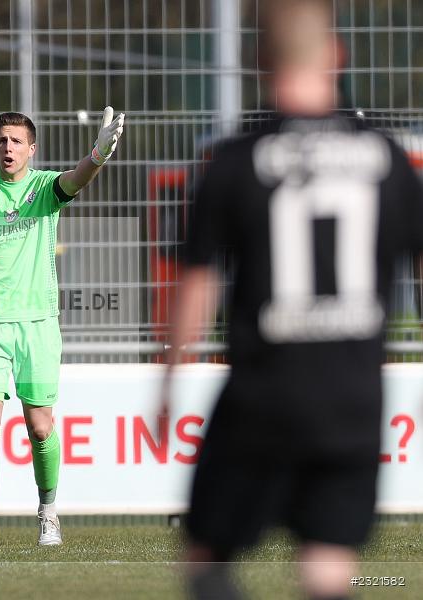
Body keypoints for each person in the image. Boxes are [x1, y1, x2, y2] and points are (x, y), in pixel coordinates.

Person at [161, 1, 423, 598]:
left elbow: (197, 281)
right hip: (354, 395)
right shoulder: (389, 159)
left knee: (206, 557)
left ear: (259, 62)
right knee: (328, 566)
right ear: (336, 56)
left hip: (263, 396)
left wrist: (169, 381)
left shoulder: (234, 160)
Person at [0, 108, 125, 547]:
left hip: (37, 325)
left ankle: (48, 512)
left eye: (16, 141)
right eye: (1, 140)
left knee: (40, 426)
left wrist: (98, 153)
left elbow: (76, 178)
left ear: (31, 149)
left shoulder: (43, 188)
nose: (8, 148)